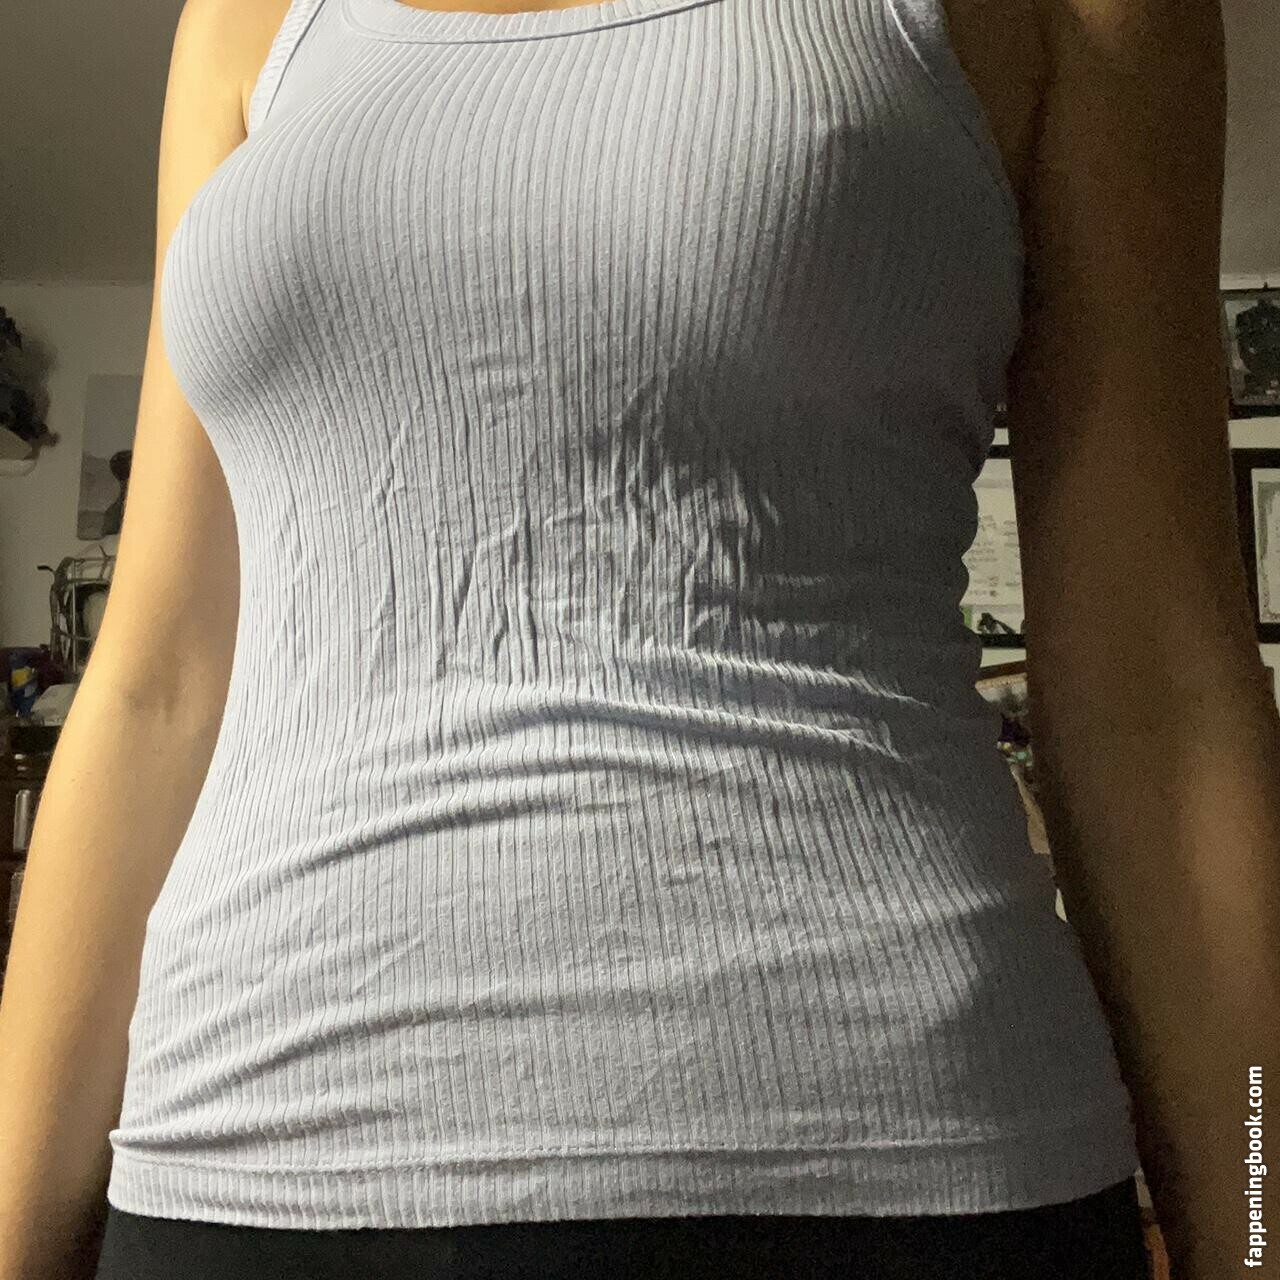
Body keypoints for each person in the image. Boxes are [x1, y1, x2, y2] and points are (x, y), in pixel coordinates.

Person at [0, 0, 1273, 1276]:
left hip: (887, 1169)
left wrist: (1258, 1222)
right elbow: (157, 685)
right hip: (236, 1161)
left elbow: (1157, 690)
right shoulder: (247, 23)